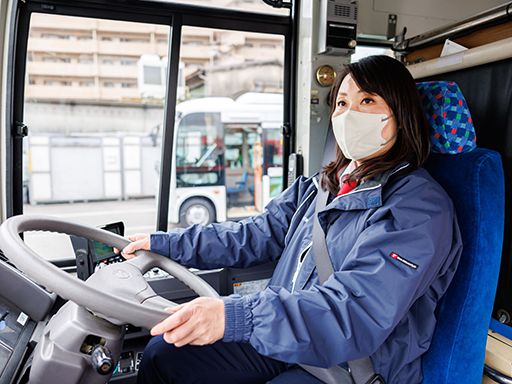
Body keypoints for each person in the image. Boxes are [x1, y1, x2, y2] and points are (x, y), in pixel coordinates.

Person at [122, 55, 462, 384]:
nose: (349, 114)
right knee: (164, 355)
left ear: (400, 115)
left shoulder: (419, 209)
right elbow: (254, 234)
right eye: (341, 104)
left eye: (368, 100)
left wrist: (239, 316)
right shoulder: (323, 185)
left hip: (352, 363)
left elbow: (356, 312)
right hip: (291, 334)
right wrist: (166, 243)